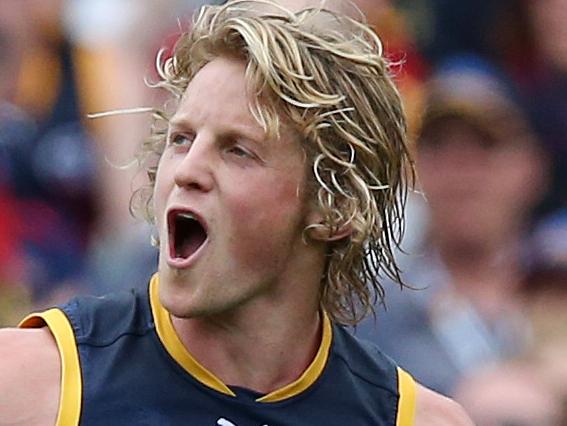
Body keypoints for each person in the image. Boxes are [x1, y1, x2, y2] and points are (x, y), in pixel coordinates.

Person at [0, 1, 472, 424]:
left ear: (335, 207)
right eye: (181, 139)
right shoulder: (32, 384)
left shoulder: (414, 419)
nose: (187, 171)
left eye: (237, 150)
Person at [355, 55, 548, 395]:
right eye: (438, 144)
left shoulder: (555, 281)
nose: (461, 167)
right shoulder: (368, 309)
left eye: (486, 144)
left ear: (530, 166)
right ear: (413, 168)